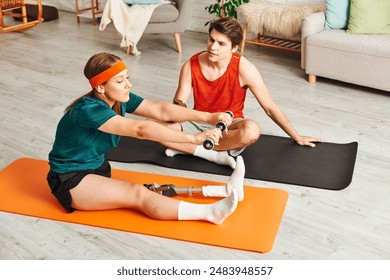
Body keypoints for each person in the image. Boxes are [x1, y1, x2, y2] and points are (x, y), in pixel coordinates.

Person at [47, 52, 246, 225]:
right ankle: (210, 213)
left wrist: (209, 117)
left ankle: (222, 190)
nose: (128, 85)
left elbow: (160, 110)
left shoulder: (118, 99)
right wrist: (192, 138)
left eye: (127, 78)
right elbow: (140, 129)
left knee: (152, 189)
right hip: (71, 180)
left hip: (97, 168)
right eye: (120, 81)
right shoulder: (88, 110)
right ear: (100, 87)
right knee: (138, 193)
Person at [161, 17, 322, 169]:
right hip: (199, 122)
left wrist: (297, 137)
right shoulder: (191, 65)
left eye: (221, 43)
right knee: (152, 126)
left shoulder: (245, 69)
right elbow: (179, 107)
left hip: (229, 126)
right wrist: (171, 124)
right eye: (211, 39)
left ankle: (187, 147)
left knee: (252, 130)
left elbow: (269, 107)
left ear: (234, 48)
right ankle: (213, 154)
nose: (213, 47)